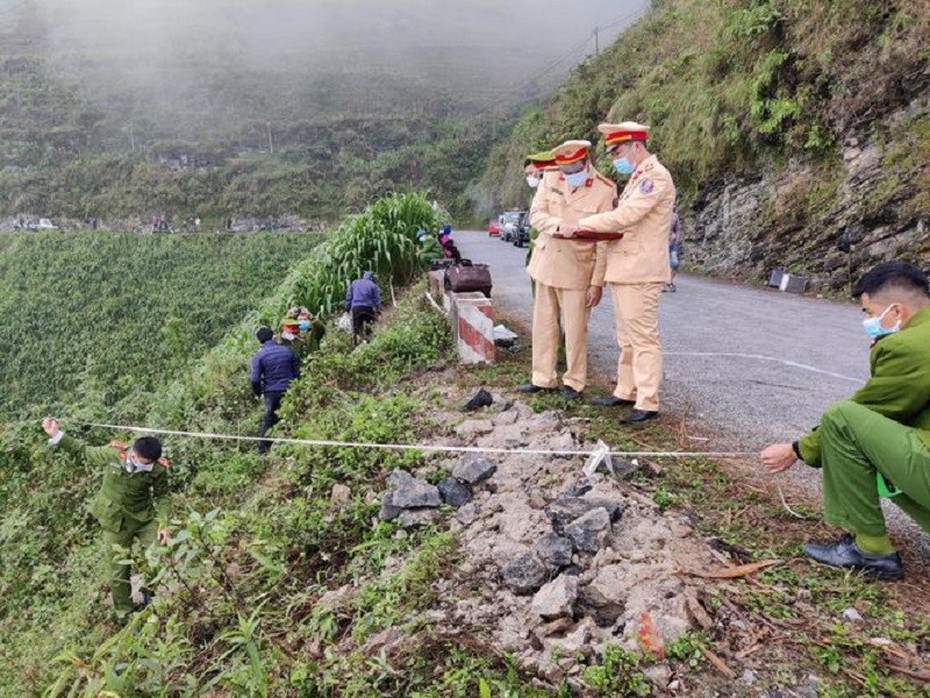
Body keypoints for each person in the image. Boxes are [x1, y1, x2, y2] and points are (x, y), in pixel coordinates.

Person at [760, 261, 930, 581]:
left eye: (868, 312)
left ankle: (871, 550)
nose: (867, 321)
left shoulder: (909, 345)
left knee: (841, 418)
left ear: (896, 312)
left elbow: (871, 410)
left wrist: (797, 449)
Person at [561, 122, 676, 423]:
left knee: (643, 338)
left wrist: (585, 224)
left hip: (640, 270)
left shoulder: (655, 177)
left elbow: (627, 216)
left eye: (618, 151)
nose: (615, 159)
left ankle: (648, 400)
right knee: (626, 337)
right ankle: (626, 390)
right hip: (626, 269)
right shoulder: (638, 178)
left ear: (636, 146)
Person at [42, 417, 170, 619]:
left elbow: (162, 496)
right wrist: (56, 434)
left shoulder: (158, 470)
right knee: (118, 571)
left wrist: (163, 523)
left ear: (152, 461)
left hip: (144, 519)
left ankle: (151, 597)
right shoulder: (114, 454)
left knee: (156, 557)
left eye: (141, 461)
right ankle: (125, 612)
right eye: (133, 456)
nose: (134, 461)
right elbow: (83, 451)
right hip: (114, 520)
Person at [519, 139, 617, 401]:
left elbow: (605, 240)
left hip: (578, 269)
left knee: (575, 330)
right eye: (564, 171)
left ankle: (574, 382)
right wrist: (558, 225)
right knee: (543, 325)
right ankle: (542, 378)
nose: (567, 176)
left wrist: (598, 282)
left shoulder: (605, 189)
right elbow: (536, 214)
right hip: (546, 262)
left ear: (586, 163)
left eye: (573, 171)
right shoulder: (551, 177)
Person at [251, 325, 301, 456]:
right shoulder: (287, 351)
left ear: (259, 341)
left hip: (271, 392)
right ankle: (294, 446)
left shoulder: (259, 356)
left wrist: (258, 393)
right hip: (290, 389)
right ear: (273, 336)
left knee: (268, 420)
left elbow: (255, 379)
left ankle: (263, 452)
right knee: (293, 416)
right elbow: (297, 373)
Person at [345, 271, 382, 345]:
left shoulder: (354, 283)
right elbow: (376, 299)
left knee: (356, 328)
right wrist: (378, 310)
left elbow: (349, 296)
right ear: (371, 278)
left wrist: (347, 308)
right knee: (369, 326)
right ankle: (370, 342)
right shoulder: (373, 285)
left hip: (356, 308)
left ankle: (356, 343)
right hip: (368, 308)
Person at [666, 210, 683, 292]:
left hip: (672, 244)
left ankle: (669, 281)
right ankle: (663, 283)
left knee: (675, 263)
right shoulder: (660, 214)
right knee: (662, 264)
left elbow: (677, 229)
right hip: (662, 244)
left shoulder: (674, 216)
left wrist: (676, 240)